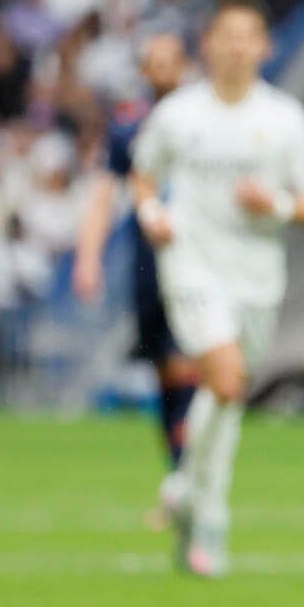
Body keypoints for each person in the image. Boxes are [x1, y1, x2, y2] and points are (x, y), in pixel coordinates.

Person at [130, 0, 304, 576]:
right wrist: (152, 215)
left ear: (265, 47)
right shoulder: (178, 116)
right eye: (227, 35)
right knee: (223, 379)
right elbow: (143, 176)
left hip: (258, 277)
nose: (237, 47)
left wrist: (277, 204)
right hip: (193, 265)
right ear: (208, 44)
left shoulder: (285, 120)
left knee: (230, 393)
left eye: (249, 36)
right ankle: (212, 519)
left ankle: (186, 490)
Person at [74, 31, 201, 527]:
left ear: (184, 65)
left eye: (171, 60)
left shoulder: (203, 120)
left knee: (190, 365)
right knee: (167, 372)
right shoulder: (129, 126)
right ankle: (180, 477)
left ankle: (190, 483)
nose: (163, 69)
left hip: (198, 259)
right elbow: (104, 194)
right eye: (155, 62)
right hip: (149, 262)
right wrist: (89, 257)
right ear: (145, 71)